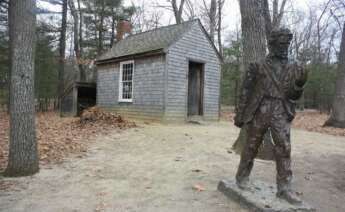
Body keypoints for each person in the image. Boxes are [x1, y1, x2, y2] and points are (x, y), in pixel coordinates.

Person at [234, 28, 308, 205]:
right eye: (282, 44)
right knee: (252, 144)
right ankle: (241, 177)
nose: (285, 47)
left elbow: (293, 95)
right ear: (272, 43)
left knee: (284, 147)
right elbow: (245, 91)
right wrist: (240, 114)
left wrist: (299, 85)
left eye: (287, 44)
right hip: (260, 108)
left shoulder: (295, 66)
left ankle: (284, 189)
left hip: (280, 110)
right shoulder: (258, 65)